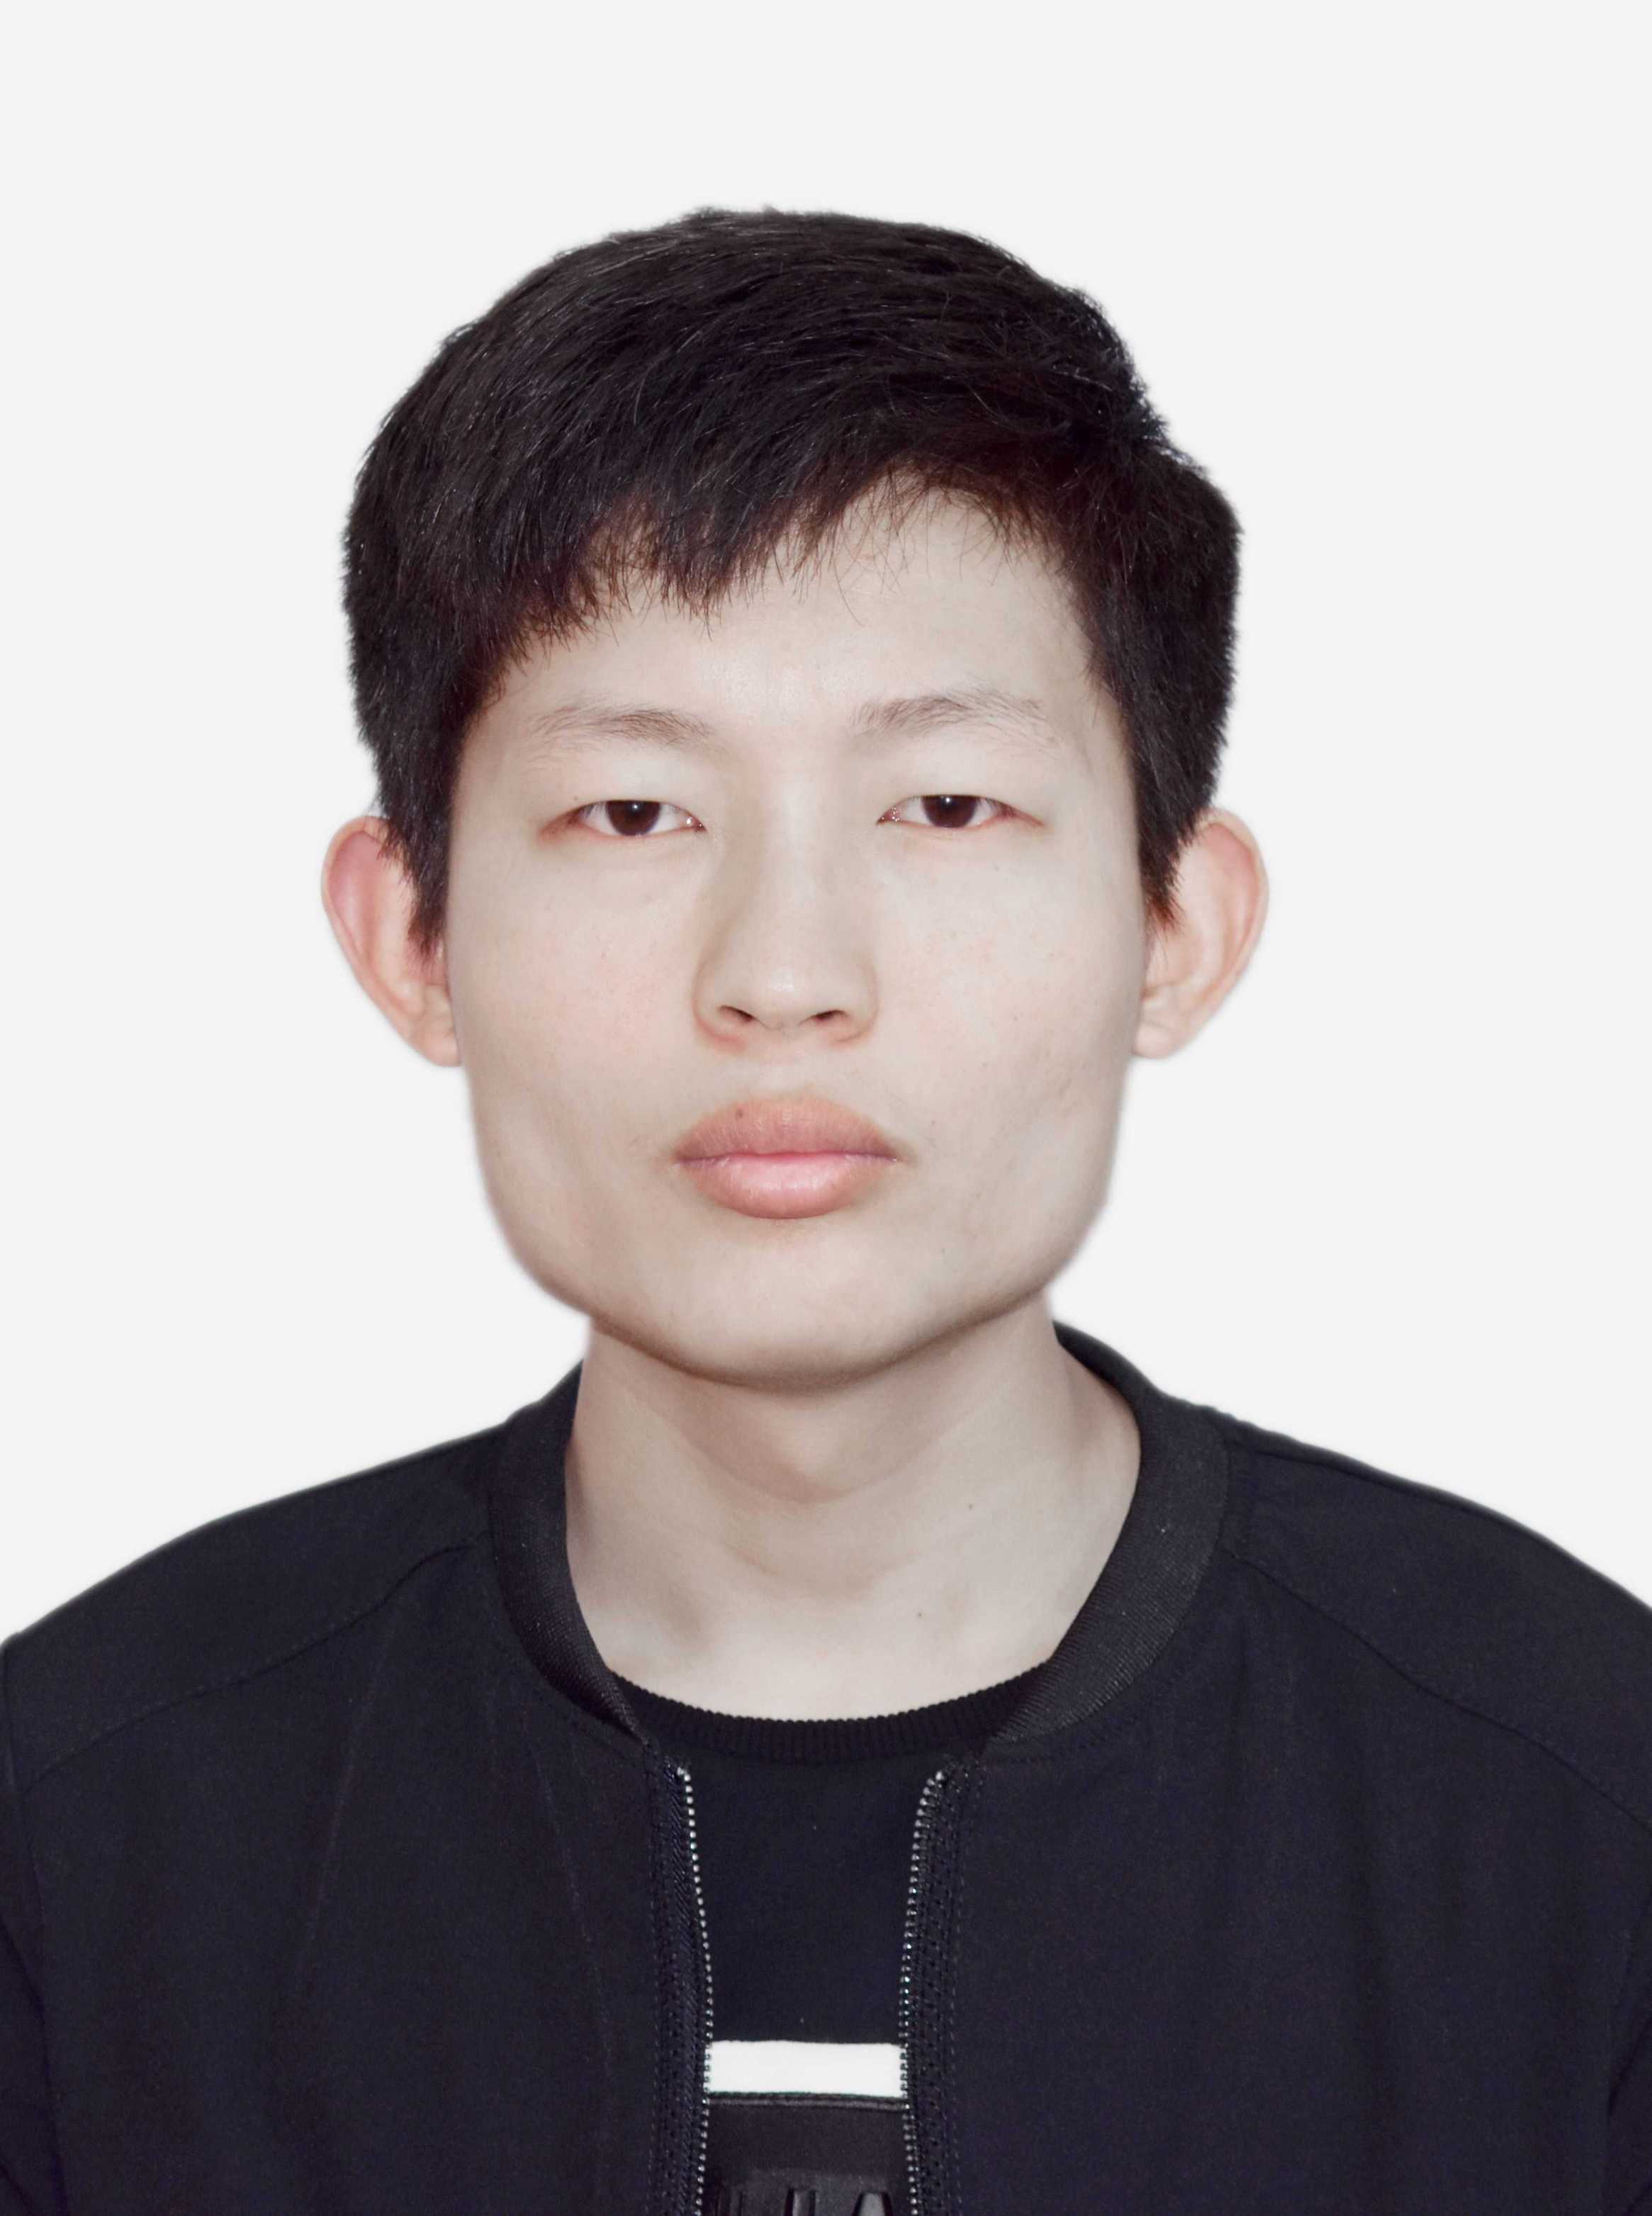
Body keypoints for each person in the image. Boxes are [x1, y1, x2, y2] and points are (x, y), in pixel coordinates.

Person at [1, 207, 1646, 2216]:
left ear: (1175, 926)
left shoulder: (1582, 1803)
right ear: (412, 934)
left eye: (944, 806)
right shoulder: (81, 1826)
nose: (783, 974)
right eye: (633, 811)